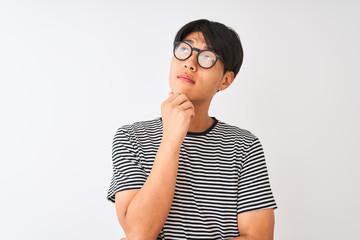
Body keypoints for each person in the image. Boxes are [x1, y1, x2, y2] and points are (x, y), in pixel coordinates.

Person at [107, 19, 277, 240]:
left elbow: (259, 237)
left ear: (225, 80)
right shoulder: (131, 137)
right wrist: (170, 139)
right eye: (184, 50)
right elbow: (139, 232)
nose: (190, 63)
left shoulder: (244, 145)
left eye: (207, 57)